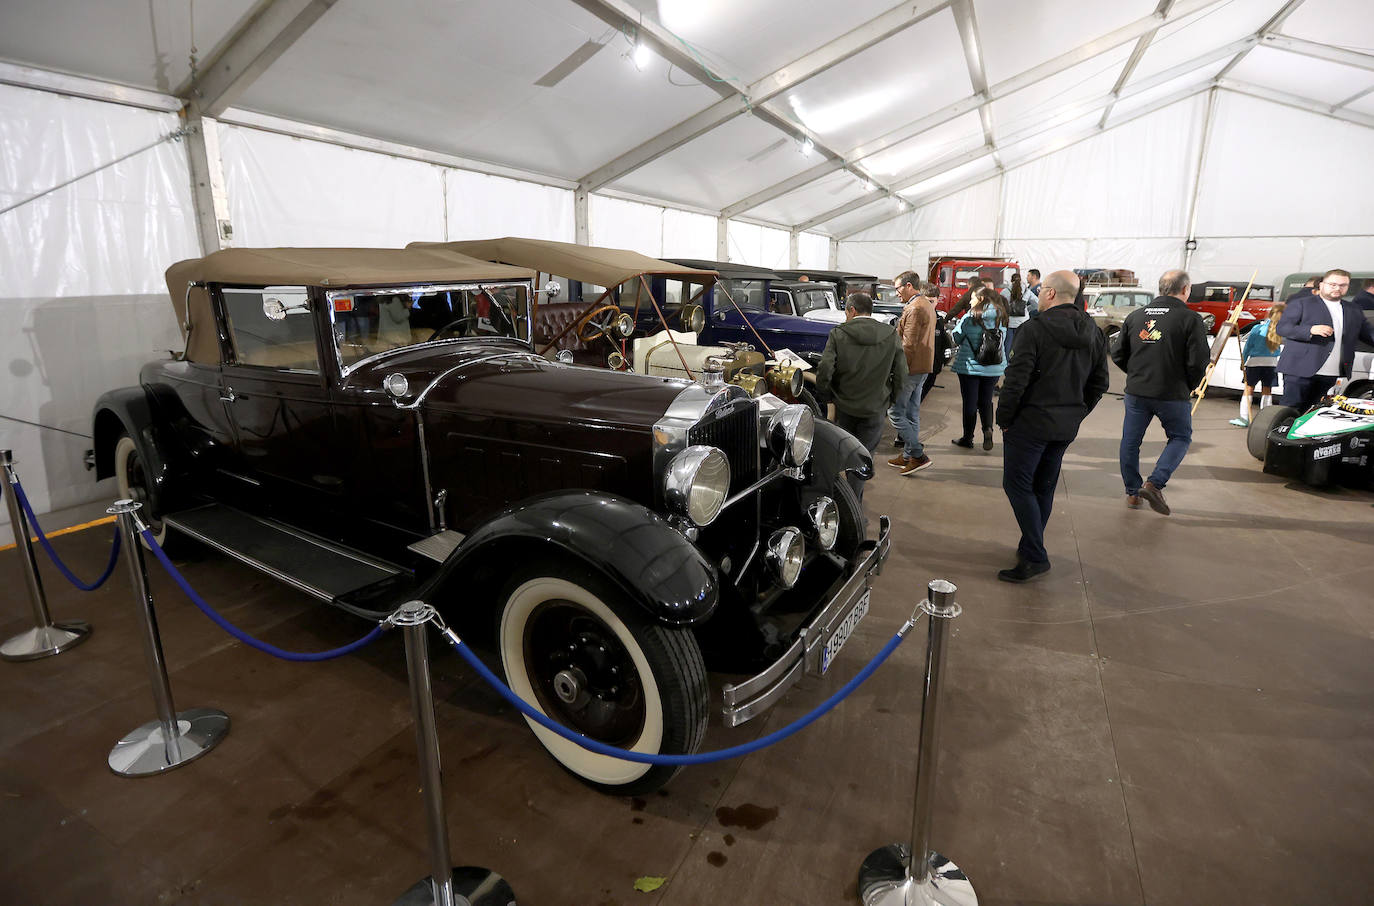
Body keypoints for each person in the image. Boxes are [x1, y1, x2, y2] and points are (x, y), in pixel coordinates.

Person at [995, 270, 1109, 582]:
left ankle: (1034, 554)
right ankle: (1030, 545)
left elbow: (1016, 381)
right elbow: (1100, 383)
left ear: (1051, 294)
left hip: (1030, 423)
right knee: (1043, 487)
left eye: (1043, 288)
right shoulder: (1093, 331)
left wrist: (1004, 418)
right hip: (1064, 426)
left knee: (1017, 485)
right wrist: (1077, 412)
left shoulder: (1036, 329)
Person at [1111, 269, 1209, 515]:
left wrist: (1135, 373)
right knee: (1180, 437)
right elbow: (1198, 361)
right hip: (1172, 393)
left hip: (1137, 391)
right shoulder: (1190, 319)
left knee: (1131, 441)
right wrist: (1189, 384)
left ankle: (1133, 494)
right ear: (1185, 290)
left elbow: (1118, 353)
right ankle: (1154, 483)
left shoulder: (1136, 316)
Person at [816, 292, 906, 502]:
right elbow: (901, 373)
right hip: (875, 407)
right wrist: (889, 399)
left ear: (852, 310)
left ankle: (840, 506)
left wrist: (827, 396)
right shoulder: (890, 334)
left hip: (844, 406)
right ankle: (854, 505)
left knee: (841, 453)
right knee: (863, 457)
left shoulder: (838, 334)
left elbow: (825, 369)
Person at [1276, 269, 1374, 410]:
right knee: (1290, 409)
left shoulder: (1353, 309)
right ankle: (1282, 432)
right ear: (1321, 285)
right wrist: (1310, 330)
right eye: (1333, 284)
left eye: (1342, 285)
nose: (1337, 288)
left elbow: (1368, 334)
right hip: (1299, 369)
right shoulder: (1302, 304)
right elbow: (1282, 328)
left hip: (1331, 372)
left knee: (1314, 411)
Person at [887, 271, 935, 476]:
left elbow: (908, 345)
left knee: (895, 412)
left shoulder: (915, 308)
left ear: (908, 286)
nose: (896, 293)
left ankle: (917, 454)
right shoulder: (925, 304)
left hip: (910, 369)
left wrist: (897, 370)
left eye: (898, 289)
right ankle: (908, 456)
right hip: (923, 367)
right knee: (911, 413)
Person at [950, 288, 1008, 451]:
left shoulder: (970, 317)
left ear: (981, 298)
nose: (970, 301)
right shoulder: (1001, 316)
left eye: (973, 298)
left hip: (971, 368)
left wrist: (956, 328)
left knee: (970, 402)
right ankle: (987, 429)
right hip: (994, 367)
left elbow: (957, 338)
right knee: (986, 399)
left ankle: (968, 438)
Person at [1229, 303, 1284, 427]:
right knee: (1267, 391)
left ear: (1267, 314)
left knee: (1248, 389)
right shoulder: (1279, 329)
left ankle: (1244, 418)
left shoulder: (1257, 329)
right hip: (1271, 364)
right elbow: (1278, 350)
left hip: (1254, 363)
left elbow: (1248, 347)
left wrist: (1243, 361)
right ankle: (1266, 419)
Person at [1000, 272, 1030, 359]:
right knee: (1022, 344)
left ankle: (1008, 363)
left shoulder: (1005, 291)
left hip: (1009, 323)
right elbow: (1036, 302)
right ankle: (1020, 362)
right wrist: (1027, 308)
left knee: (1008, 344)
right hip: (1023, 323)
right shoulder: (1027, 291)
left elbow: (999, 305)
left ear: (1011, 280)